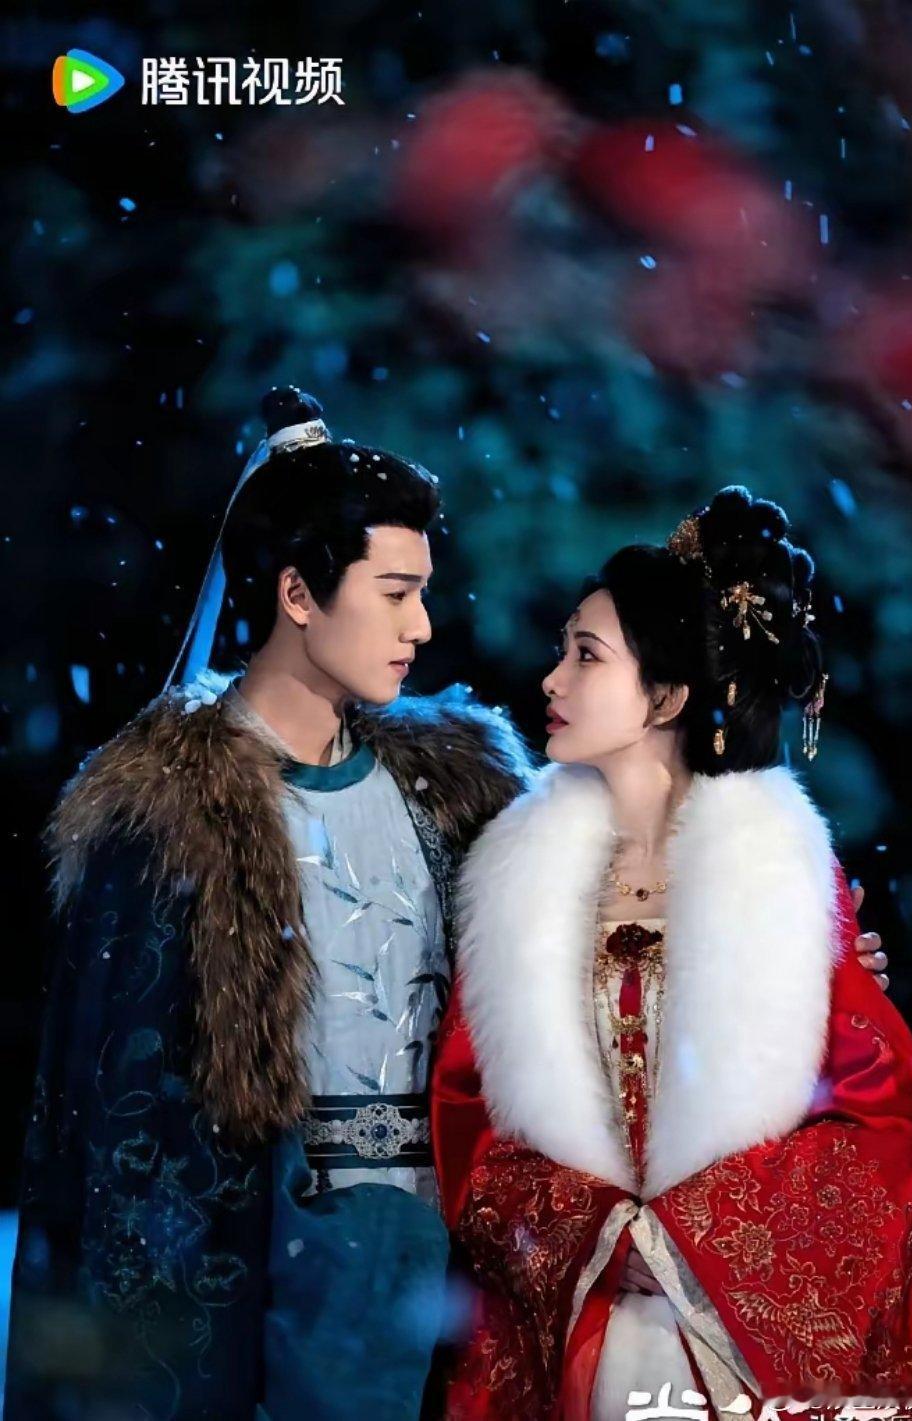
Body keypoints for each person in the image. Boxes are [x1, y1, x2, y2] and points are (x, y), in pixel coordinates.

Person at [4, 386, 533, 1421]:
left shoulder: (454, 791)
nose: (422, 625)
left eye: (423, 593)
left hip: (434, 1278)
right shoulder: (166, 815)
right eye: (395, 592)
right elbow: (122, 1125)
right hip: (251, 1273)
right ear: (299, 592)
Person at [431, 485, 912, 1421]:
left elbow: (888, 1131)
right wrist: (597, 1232)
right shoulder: (518, 887)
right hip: (570, 1331)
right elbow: (468, 1111)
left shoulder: (781, 882)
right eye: (562, 650)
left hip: (727, 1349)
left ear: (669, 696)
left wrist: (691, 1234)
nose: (551, 680)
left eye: (586, 655)